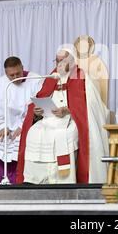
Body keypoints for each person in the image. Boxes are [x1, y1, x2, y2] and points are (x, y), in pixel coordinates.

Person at [16, 48, 109, 184]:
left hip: (71, 120)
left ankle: (63, 180)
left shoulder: (81, 76)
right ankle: (34, 178)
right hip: (49, 119)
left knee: (64, 135)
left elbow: (89, 105)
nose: (58, 65)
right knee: (33, 132)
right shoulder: (52, 76)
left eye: (62, 61)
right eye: (57, 61)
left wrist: (69, 110)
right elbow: (41, 96)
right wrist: (37, 110)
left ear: (71, 61)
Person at [0, 56, 42, 184]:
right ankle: (0, 184)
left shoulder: (35, 79)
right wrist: (2, 126)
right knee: (1, 146)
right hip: (6, 126)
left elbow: (35, 106)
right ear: (6, 73)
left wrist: (22, 126)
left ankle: (19, 183)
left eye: (18, 73)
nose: (15, 77)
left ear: (22, 68)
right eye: (11, 75)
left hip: (28, 126)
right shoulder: (0, 83)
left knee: (19, 146)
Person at [74, 35, 109, 106]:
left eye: (84, 46)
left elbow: (102, 82)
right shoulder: (73, 60)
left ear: (89, 47)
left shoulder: (97, 60)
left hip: (91, 95)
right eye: (80, 46)